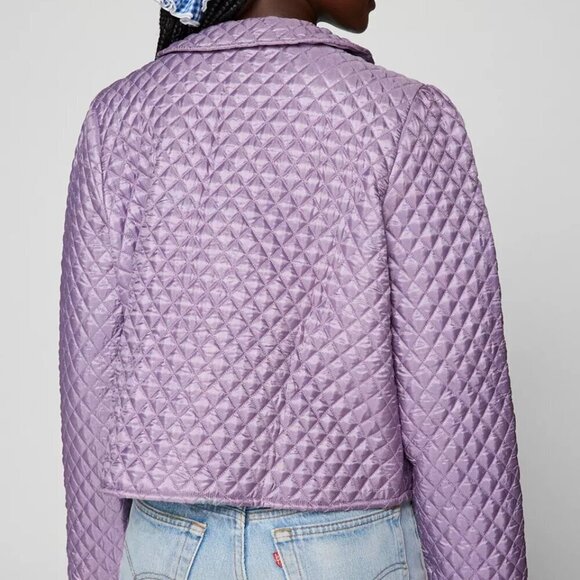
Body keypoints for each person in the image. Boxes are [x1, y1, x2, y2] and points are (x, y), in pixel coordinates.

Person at [58, 1, 528, 578]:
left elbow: (90, 379)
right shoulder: (402, 115)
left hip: (165, 545)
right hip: (342, 548)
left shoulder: (120, 116)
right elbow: (454, 400)